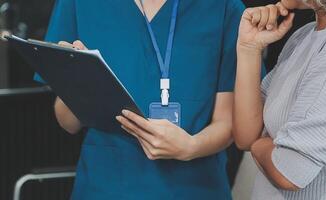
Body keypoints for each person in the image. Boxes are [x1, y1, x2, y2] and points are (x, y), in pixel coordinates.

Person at [35, 0, 246, 199]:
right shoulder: (81, 4)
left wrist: (191, 146)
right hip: (105, 188)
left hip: (195, 189)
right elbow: (67, 123)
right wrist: (78, 84)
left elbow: (228, 122)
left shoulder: (223, 7)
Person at [233, 0, 326, 199]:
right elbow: (247, 135)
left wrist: (259, 145)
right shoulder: (304, 35)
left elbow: (289, 172)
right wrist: (249, 47)